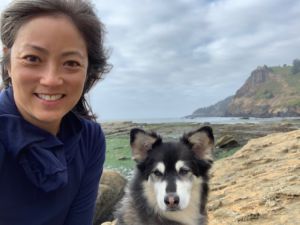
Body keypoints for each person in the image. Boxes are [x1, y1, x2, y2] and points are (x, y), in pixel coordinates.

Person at [0, 0, 111, 224]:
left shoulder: (89, 139)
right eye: (32, 58)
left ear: (89, 70)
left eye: (70, 63)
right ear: (8, 62)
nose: (51, 80)